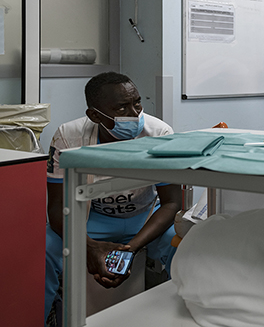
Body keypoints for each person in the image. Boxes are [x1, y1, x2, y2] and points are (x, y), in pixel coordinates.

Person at [44, 72, 182, 324]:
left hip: (148, 219)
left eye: (137, 103)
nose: (134, 113)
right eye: (121, 107)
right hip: (92, 220)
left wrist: (131, 249)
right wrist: (88, 246)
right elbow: (56, 208)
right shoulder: (69, 136)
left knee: (183, 247)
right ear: (95, 115)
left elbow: (172, 202)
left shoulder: (160, 133)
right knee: (43, 250)